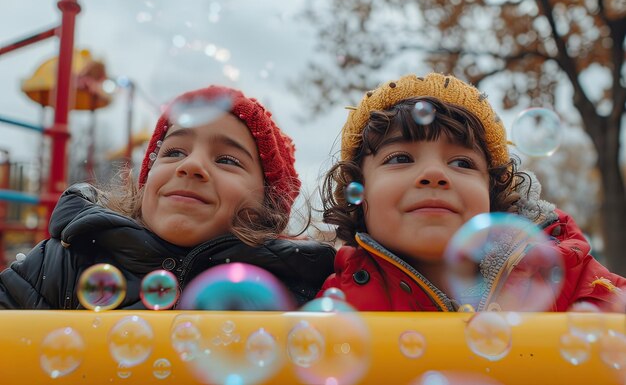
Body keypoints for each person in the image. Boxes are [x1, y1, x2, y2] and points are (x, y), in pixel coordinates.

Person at [0, 85, 336, 309]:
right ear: (145, 184)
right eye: (174, 152)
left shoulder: (297, 288)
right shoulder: (66, 260)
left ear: (269, 205)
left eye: (227, 160)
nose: (191, 166)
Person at [318, 72, 626, 312]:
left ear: (493, 192)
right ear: (357, 191)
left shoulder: (567, 275)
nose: (434, 175)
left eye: (462, 162)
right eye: (400, 158)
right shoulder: (339, 305)